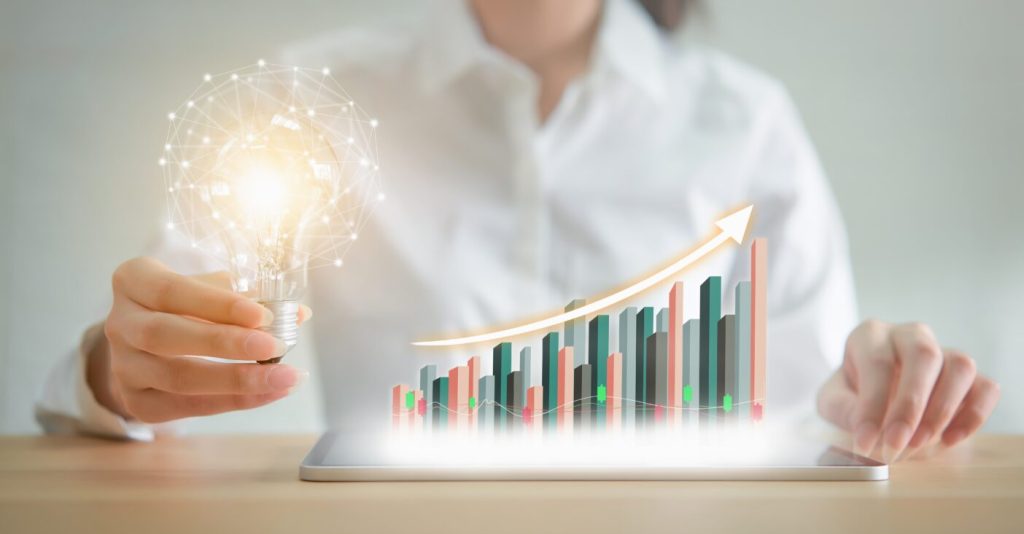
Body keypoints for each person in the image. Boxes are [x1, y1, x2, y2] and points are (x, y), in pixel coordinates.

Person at [37, 0, 998, 462]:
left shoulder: (745, 122)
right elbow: (154, 353)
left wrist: (870, 387)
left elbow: (815, 417)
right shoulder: (310, 101)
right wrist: (117, 370)